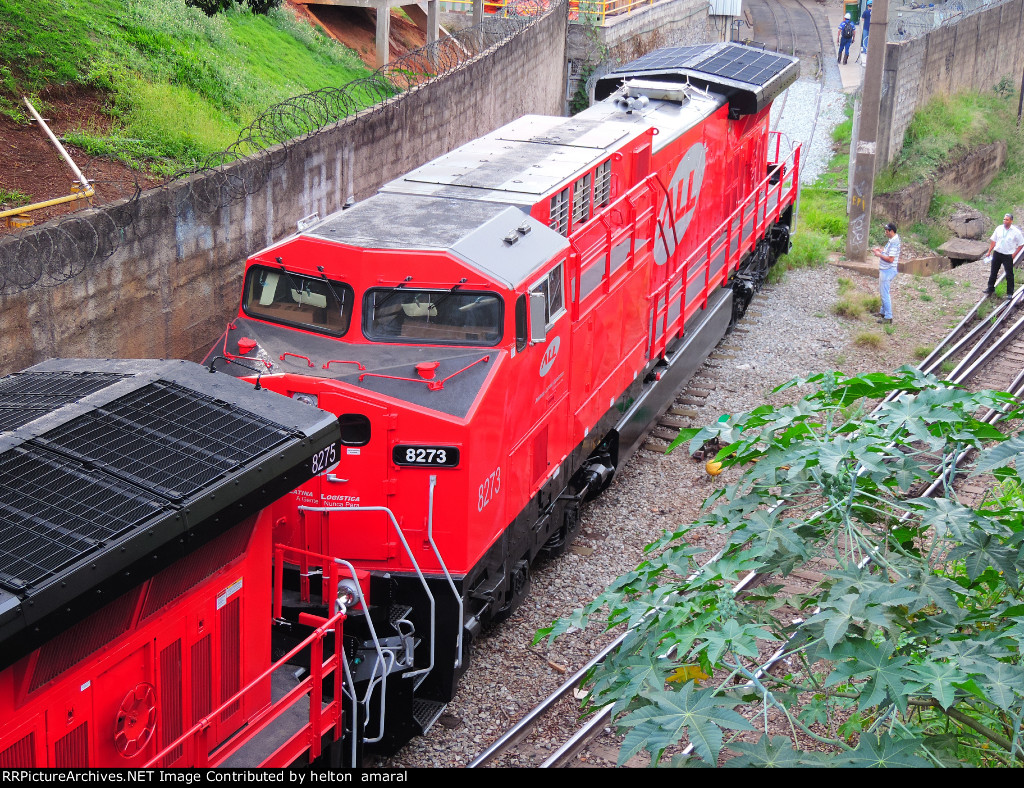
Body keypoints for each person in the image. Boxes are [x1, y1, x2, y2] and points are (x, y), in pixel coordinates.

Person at [984, 213, 1024, 299]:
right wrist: (989, 251)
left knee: (1009, 274)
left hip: (1007, 255)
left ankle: (1010, 293)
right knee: (993, 272)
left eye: (1007, 220)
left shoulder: (1016, 232)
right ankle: (990, 288)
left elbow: (1021, 244)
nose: (1005, 221)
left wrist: (1014, 254)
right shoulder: (999, 228)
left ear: (1011, 221)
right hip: (997, 253)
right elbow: (993, 241)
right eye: (1004, 219)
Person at [872, 222, 900, 323]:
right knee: (883, 292)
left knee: (884, 294)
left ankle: (888, 317)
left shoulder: (894, 242)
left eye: (886, 231)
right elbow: (888, 253)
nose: (885, 233)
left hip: (888, 270)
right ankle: (883, 312)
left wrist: (879, 254)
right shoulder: (892, 240)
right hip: (887, 270)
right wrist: (881, 251)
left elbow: (891, 259)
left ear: (891, 231)